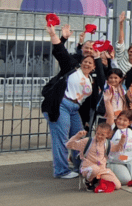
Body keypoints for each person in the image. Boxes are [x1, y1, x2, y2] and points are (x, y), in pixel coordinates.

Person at [41, 22, 103, 179]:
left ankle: (80, 166)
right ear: (81, 61)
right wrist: (54, 35)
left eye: (91, 62)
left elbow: (102, 86)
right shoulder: (72, 67)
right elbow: (61, 52)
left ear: (94, 66)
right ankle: (61, 171)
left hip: (75, 109)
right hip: (61, 105)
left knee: (79, 137)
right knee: (61, 139)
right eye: (85, 61)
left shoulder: (92, 80)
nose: (87, 63)